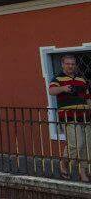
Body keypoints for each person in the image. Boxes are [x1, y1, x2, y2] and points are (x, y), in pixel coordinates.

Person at [49, 54, 90, 182]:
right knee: (77, 145)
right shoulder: (58, 78)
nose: (70, 66)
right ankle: (64, 163)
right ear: (62, 64)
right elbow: (51, 91)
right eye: (68, 64)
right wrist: (63, 88)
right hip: (68, 117)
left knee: (87, 146)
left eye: (72, 64)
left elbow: (87, 96)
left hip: (85, 116)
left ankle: (83, 172)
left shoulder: (81, 79)